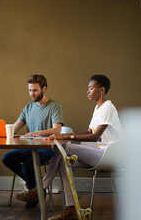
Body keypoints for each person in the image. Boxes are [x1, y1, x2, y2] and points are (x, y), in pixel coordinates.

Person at [18, 75, 122, 220]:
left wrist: (65, 137)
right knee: (63, 160)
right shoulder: (98, 108)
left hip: (108, 154)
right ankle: (71, 208)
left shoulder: (108, 107)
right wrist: (66, 135)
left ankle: (40, 189)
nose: (87, 91)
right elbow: (89, 131)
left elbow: (94, 136)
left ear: (102, 89)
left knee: (65, 146)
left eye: (91, 88)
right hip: (97, 152)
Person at [2, 74, 63, 207]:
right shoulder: (28, 107)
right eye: (30, 90)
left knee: (27, 165)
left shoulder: (54, 106)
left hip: (48, 148)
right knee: (7, 158)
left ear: (44, 88)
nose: (32, 93)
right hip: (30, 147)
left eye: (35, 90)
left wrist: (38, 133)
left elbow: (57, 129)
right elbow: (14, 128)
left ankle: (34, 192)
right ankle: (37, 187)